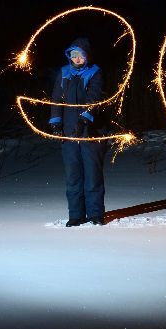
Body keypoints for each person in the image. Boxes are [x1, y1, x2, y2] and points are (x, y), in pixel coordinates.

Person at [48, 37, 107, 227]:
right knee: (73, 176)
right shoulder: (64, 73)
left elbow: (94, 97)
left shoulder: (94, 73)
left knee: (92, 175)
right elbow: (57, 98)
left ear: (86, 56)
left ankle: (95, 214)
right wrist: (56, 121)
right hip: (69, 134)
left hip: (91, 134)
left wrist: (85, 118)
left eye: (80, 55)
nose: (77, 59)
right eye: (73, 55)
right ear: (69, 57)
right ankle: (76, 215)